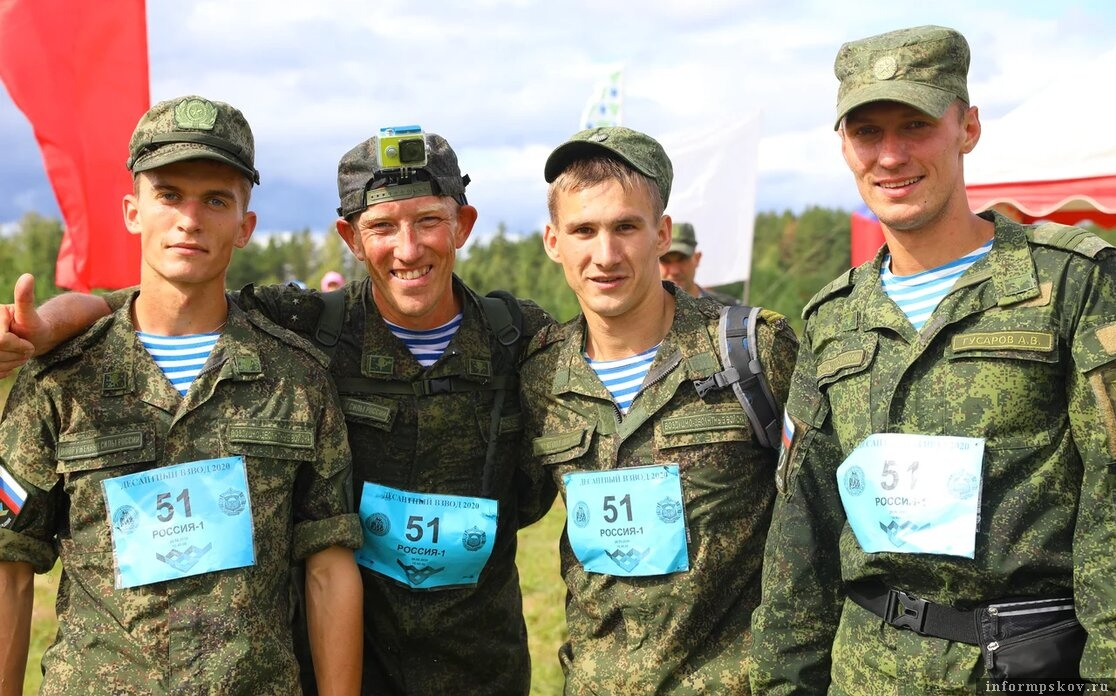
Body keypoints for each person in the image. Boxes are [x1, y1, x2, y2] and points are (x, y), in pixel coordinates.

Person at [0, 129, 556, 695]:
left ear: (462, 224)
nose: (408, 249)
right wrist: (50, 325)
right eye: (382, 226)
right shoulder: (309, 329)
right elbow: (169, 294)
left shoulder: (521, 337)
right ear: (351, 239)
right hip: (339, 666)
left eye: (429, 222)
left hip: (479, 668)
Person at [750, 25, 1116, 693]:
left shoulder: (1071, 285)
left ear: (966, 127)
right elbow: (800, 530)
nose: (891, 155)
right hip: (870, 673)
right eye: (868, 133)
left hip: (1026, 670)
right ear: (843, 146)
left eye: (914, 124)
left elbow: (1111, 512)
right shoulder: (833, 319)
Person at [0, 95, 363, 695]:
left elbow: (328, 562)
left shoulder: (297, 378)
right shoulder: (60, 379)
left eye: (216, 200)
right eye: (168, 195)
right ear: (132, 210)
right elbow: (9, 565)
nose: (189, 219)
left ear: (245, 226)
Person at [520, 126, 799, 693]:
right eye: (583, 230)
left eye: (626, 226)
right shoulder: (539, 375)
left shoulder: (750, 350)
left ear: (661, 234)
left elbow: (820, 522)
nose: (606, 254)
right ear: (553, 241)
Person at [658, 221, 740, 305]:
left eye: (682, 259)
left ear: (697, 258)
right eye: (665, 260)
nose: (675, 271)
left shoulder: (727, 310)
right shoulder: (645, 312)